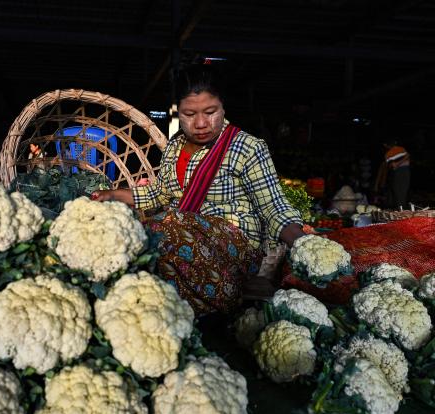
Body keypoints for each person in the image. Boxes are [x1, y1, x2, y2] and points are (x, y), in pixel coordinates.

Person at [91, 64, 306, 316]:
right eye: (189, 114)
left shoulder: (247, 147)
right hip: (177, 235)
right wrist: (113, 194)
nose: (201, 123)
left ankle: (221, 295)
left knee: (162, 228)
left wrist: (305, 245)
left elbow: (274, 206)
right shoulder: (174, 147)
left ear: (223, 107)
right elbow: (158, 194)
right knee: (131, 233)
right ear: (177, 112)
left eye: (210, 112)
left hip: (233, 249)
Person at [384, 145, 410, 209]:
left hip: (401, 171)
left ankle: (401, 210)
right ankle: (401, 209)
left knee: (399, 192)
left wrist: (397, 164)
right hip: (403, 171)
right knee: (400, 192)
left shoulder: (389, 153)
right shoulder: (400, 149)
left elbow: (407, 156)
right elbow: (391, 165)